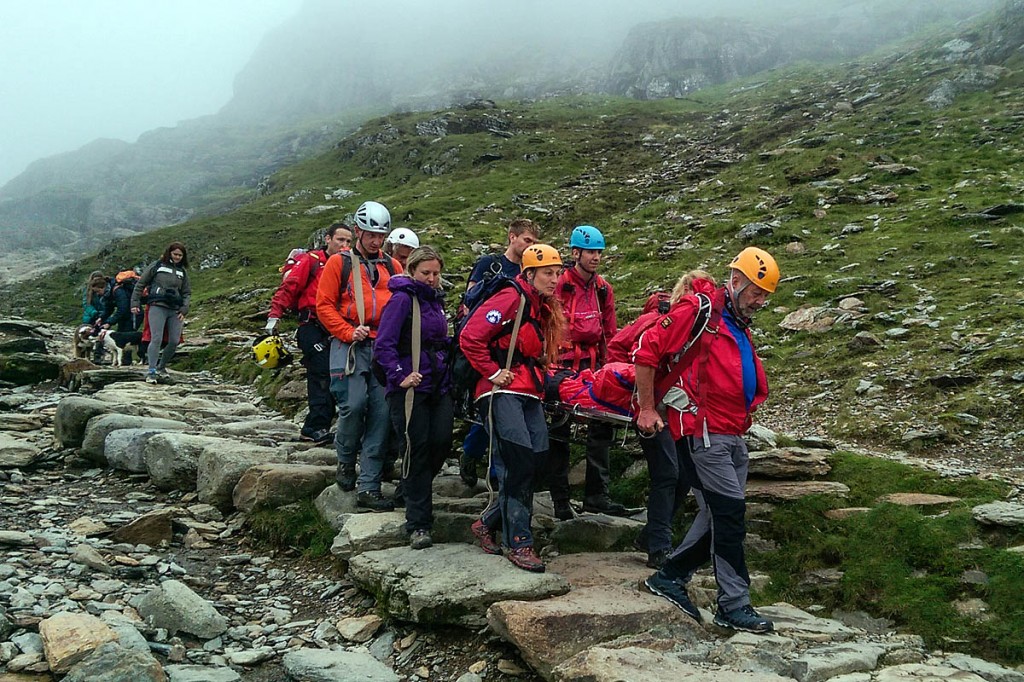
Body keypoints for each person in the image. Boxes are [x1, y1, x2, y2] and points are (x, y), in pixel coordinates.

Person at [635, 247, 779, 634]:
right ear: (735, 281)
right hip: (704, 434)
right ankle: (734, 604)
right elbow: (646, 350)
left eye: (766, 295)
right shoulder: (700, 311)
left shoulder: (734, 319)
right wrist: (647, 409)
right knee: (729, 515)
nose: (760, 302)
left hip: (731, 433)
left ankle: (669, 577)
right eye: (756, 293)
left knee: (717, 514)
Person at [460, 243, 566, 572]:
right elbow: (471, 336)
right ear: (529, 273)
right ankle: (519, 542)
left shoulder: (539, 305)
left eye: (557, 273)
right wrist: (492, 372)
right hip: (499, 390)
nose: (554, 279)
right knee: (518, 461)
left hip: (527, 390)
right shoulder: (511, 298)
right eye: (548, 273)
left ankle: (487, 523)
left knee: (537, 457)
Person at [626, 271, 717, 569]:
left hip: (677, 411)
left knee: (682, 477)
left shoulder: (699, 321)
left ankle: (650, 535)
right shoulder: (684, 317)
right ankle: (659, 547)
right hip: (655, 408)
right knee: (668, 474)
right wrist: (647, 407)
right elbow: (643, 353)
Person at [316, 200, 402, 511]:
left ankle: (369, 485)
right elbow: (324, 305)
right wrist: (347, 331)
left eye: (381, 236)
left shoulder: (393, 266)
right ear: (358, 232)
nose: (376, 242)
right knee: (353, 406)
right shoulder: (340, 264)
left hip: (383, 348)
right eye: (370, 235)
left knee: (381, 415)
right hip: (350, 344)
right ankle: (345, 459)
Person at [374, 246, 453, 549]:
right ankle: (418, 524)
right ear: (412, 271)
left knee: (442, 441)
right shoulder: (402, 300)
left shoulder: (435, 302)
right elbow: (384, 345)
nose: (432, 279)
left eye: (435, 273)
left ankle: (408, 490)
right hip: (410, 388)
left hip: (437, 385)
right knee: (417, 448)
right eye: (426, 273)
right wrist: (398, 375)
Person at [547, 225, 623, 520]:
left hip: (591, 366)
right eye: (590, 252)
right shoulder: (559, 284)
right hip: (561, 366)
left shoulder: (603, 289)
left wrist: (610, 367)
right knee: (560, 430)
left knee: (601, 428)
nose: (595, 257)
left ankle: (596, 497)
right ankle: (560, 499)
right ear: (575, 253)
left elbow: (609, 332)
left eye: (599, 252)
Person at [459, 218, 542, 486]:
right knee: (493, 412)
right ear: (512, 237)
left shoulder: (531, 270)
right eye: (527, 241)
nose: (530, 246)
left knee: (501, 419)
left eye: (534, 242)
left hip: (517, 358)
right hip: (490, 349)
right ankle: (478, 461)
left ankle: (495, 475)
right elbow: (471, 302)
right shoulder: (490, 265)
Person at [266, 222, 352, 444]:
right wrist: (274, 316)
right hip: (311, 326)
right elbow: (290, 287)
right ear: (328, 239)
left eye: (348, 241)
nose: (344, 245)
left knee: (337, 374)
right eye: (340, 240)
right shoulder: (312, 261)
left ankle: (323, 426)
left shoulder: (348, 265)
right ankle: (315, 427)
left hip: (335, 327)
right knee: (321, 373)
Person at [131, 242, 191, 384]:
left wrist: (185, 308)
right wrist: (134, 303)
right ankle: (151, 371)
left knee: (174, 341)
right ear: (169, 253)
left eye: (180, 255)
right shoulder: (157, 266)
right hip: (157, 306)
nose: (177, 257)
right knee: (156, 338)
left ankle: (161, 367)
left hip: (175, 309)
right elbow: (140, 284)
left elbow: (186, 292)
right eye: (175, 254)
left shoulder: (183, 271)